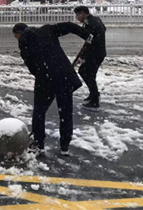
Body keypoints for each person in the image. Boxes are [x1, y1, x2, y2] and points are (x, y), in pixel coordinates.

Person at [12, 22, 91, 156]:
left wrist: (44, 74)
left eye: (16, 37)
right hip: (63, 76)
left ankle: (39, 143)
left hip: (44, 79)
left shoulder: (24, 46)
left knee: (39, 111)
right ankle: (64, 146)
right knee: (65, 112)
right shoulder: (47, 30)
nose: (17, 39)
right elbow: (69, 26)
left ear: (19, 33)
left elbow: (32, 69)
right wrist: (86, 35)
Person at [74, 6, 107, 109]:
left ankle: (95, 100)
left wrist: (83, 57)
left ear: (83, 13)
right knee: (89, 74)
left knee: (85, 73)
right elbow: (103, 29)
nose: (77, 17)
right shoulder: (95, 19)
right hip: (99, 53)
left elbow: (89, 42)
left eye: (78, 14)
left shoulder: (89, 23)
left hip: (94, 54)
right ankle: (93, 94)